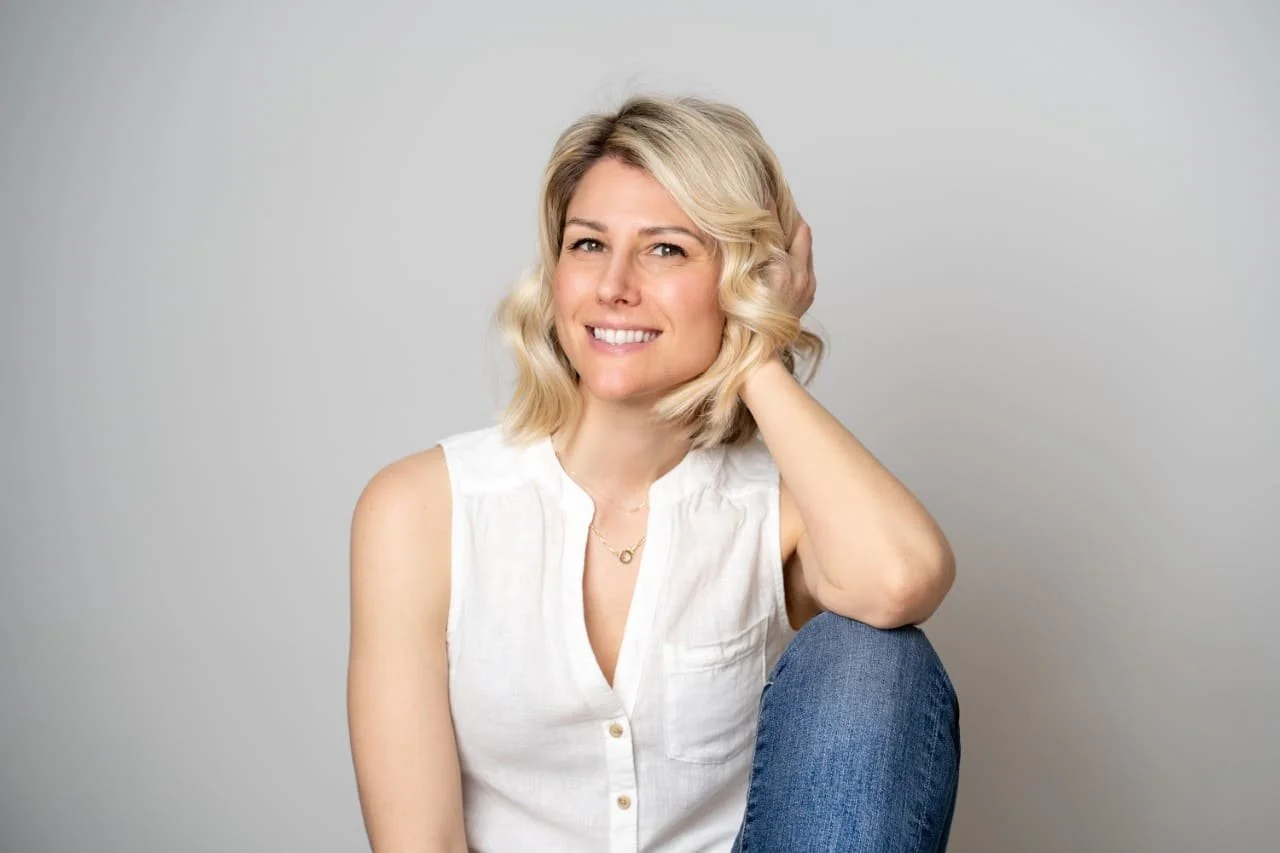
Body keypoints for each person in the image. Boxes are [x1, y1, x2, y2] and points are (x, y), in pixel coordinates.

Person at [347, 94, 961, 853]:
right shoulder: (422, 510)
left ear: (739, 281)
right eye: (588, 244)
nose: (614, 286)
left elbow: (902, 578)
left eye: (666, 249)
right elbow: (418, 844)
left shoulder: (779, 515)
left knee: (875, 658)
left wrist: (759, 356)